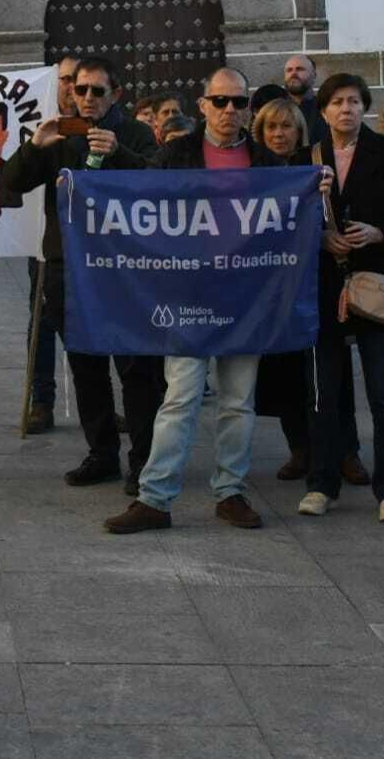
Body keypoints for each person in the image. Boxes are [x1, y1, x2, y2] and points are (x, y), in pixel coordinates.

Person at [105, 68, 297, 534]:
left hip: (245, 298)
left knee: (237, 401)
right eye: (221, 100)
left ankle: (230, 492)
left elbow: (289, 218)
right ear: (203, 104)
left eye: (238, 102)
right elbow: (140, 207)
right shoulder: (175, 154)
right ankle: (155, 497)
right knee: (181, 398)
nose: (230, 110)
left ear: (248, 107)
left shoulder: (266, 163)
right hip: (188, 295)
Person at [0, 57, 163, 495]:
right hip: (70, 270)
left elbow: (160, 185)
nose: (87, 98)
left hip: (125, 271)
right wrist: (36, 144)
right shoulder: (60, 132)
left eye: (97, 91)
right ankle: (101, 453)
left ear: (116, 96)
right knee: (86, 367)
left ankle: (144, 460)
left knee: (136, 370)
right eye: (80, 90)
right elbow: (11, 183)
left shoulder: (135, 133)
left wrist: (120, 154)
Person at [299, 74, 384, 522]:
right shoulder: (308, 159)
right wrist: (320, 238)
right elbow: (290, 221)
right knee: (325, 396)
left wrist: (380, 233)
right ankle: (322, 483)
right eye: (337, 102)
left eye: (354, 101)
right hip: (325, 290)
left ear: (365, 108)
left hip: (377, 287)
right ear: (324, 111)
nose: (346, 110)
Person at [250, 98, 319, 481]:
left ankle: (343, 451)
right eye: (271, 128)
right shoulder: (252, 171)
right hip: (269, 290)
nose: (279, 134)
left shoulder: (312, 167)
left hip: (310, 283)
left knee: (321, 373)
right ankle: (299, 449)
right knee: (284, 376)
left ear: (298, 131)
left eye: (286, 127)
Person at [20, 53, 81, 434]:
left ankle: (98, 399)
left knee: (88, 323)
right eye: (65, 78)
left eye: (79, 79)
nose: (72, 86)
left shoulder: (93, 126)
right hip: (48, 240)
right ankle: (42, 401)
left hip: (89, 245)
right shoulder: (39, 122)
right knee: (42, 322)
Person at [283, 53, 322, 137]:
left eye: (300, 69)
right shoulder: (273, 110)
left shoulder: (325, 109)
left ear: (314, 75)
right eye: (289, 70)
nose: (293, 73)